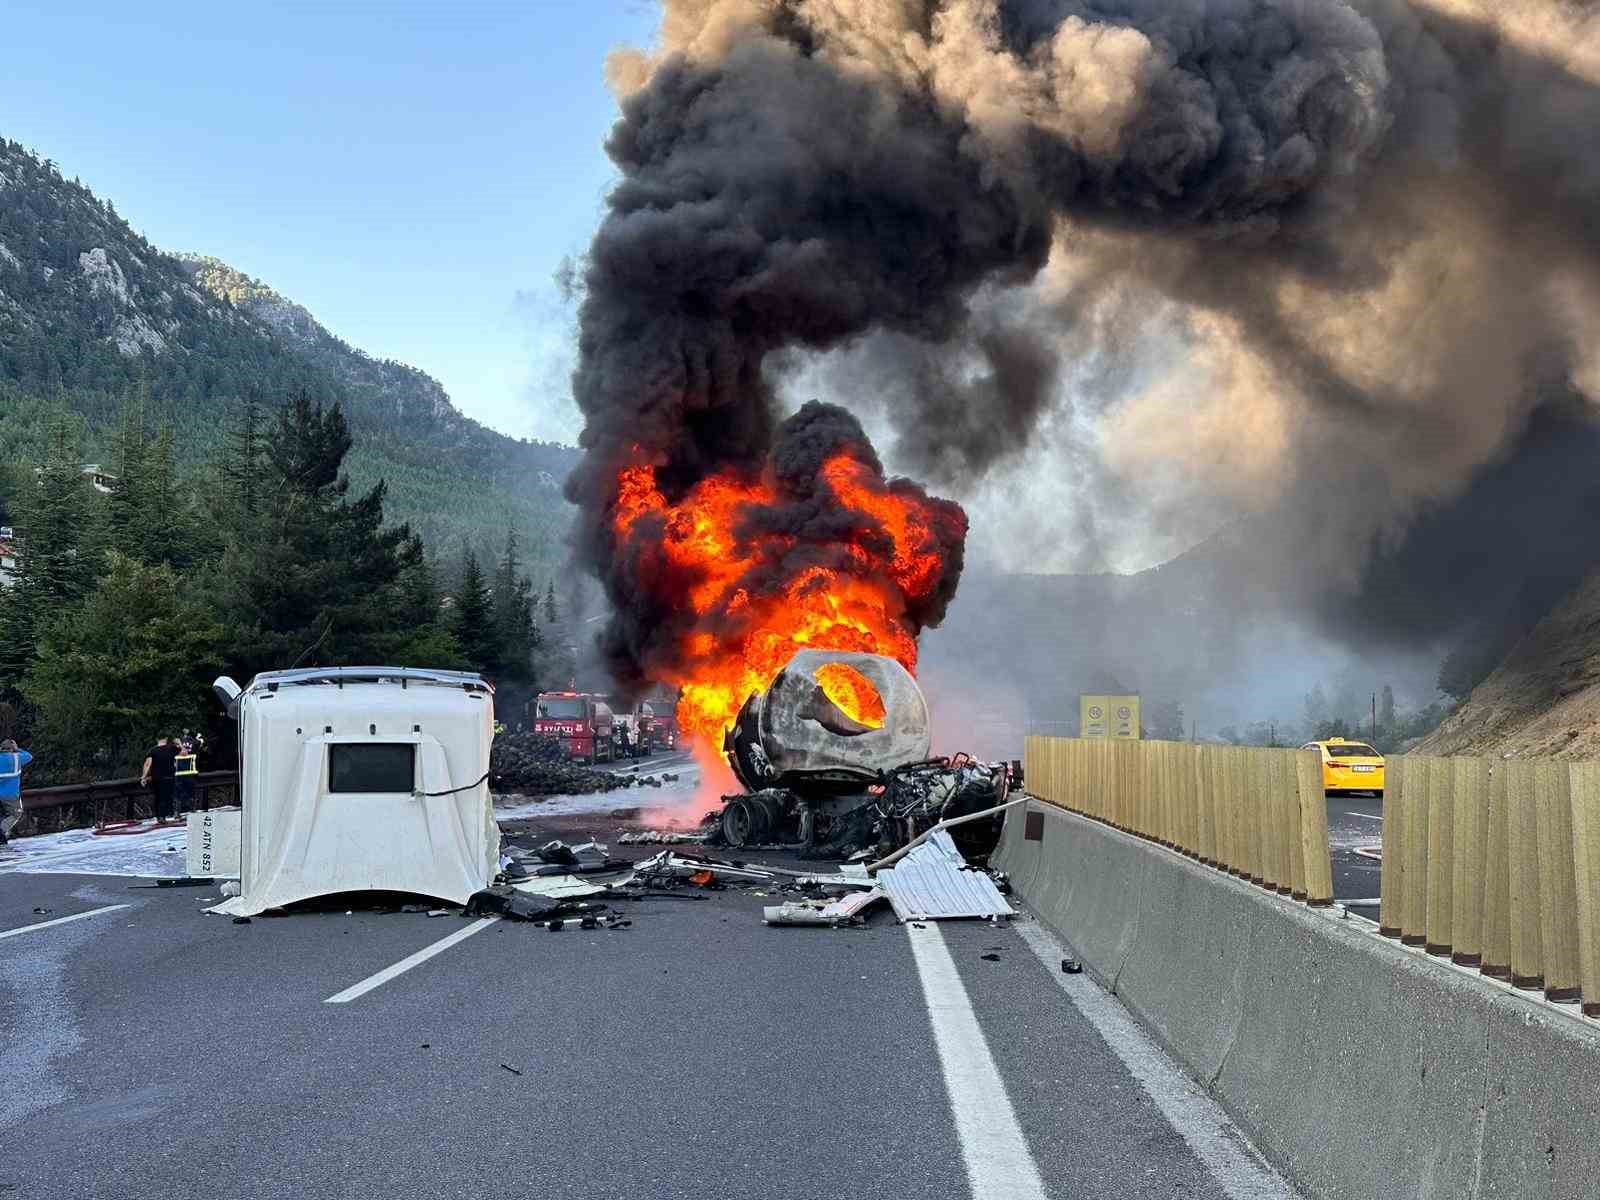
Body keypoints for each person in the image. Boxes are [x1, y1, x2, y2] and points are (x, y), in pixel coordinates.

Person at [0, 739, 33, 845]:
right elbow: (29, 756)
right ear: (12, 749)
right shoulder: (17, 758)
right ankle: (1, 832)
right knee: (15, 814)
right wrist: (17, 748)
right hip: (10, 795)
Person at [141, 735, 180, 824]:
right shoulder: (172, 748)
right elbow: (183, 752)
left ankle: (159, 816)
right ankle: (163, 816)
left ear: (157, 739)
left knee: (158, 797)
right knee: (166, 797)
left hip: (156, 777)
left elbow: (147, 764)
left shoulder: (152, 750)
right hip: (169, 777)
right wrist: (179, 743)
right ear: (166, 739)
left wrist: (143, 777)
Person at [174, 730, 200, 813]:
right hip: (190, 772)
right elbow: (200, 742)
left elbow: (184, 752)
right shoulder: (195, 743)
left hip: (181, 773)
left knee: (179, 794)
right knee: (190, 793)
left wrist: (180, 744)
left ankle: (178, 813)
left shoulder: (179, 744)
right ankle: (191, 811)